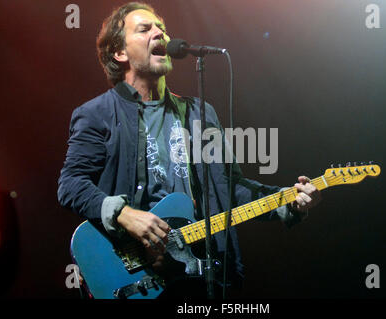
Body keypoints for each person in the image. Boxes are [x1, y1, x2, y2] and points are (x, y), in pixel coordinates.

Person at [57, 2, 321, 298]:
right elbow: (71, 185)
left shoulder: (200, 112)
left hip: (201, 276)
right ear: (119, 53)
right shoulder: (98, 113)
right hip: (139, 278)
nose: (160, 33)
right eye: (145, 29)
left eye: (162, 28)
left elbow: (229, 189)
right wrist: (124, 214)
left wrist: (287, 201)